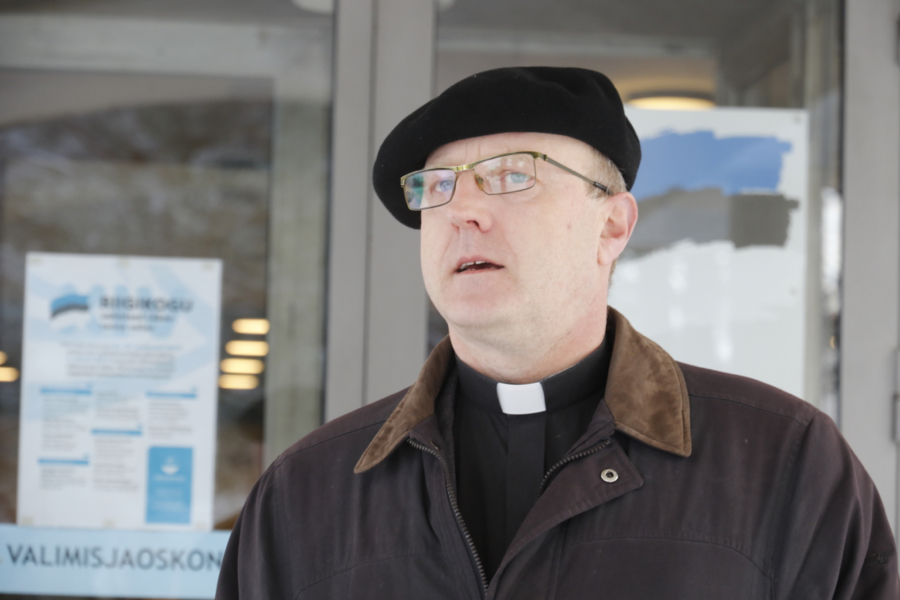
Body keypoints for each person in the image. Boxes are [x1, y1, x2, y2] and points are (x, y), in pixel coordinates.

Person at [216, 67, 899, 599]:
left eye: (512, 176)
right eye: (438, 186)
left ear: (612, 225)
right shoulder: (307, 494)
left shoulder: (785, 466)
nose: (463, 211)